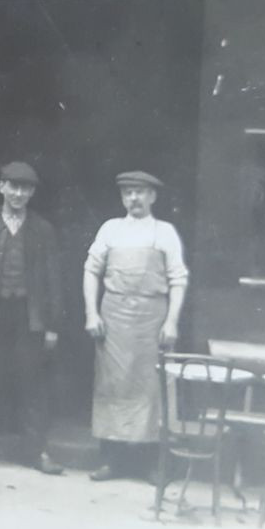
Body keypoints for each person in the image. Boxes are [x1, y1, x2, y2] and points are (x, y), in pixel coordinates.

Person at [0, 161, 67, 475]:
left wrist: (51, 326)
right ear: (1, 187)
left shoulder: (42, 229)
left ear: (32, 192)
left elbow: (52, 280)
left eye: (25, 188)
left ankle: (37, 452)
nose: (18, 193)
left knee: (33, 385)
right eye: (13, 186)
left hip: (29, 317)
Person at [83, 170, 189, 481]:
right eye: (128, 192)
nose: (134, 198)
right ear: (122, 197)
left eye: (140, 192)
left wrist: (171, 321)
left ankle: (151, 465)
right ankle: (112, 461)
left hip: (152, 320)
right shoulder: (110, 230)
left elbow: (178, 279)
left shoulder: (165, 232)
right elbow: (90, 270)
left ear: (152, 196)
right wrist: (92, 313)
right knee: (112, 386)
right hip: (113, 318)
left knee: (152, 389)